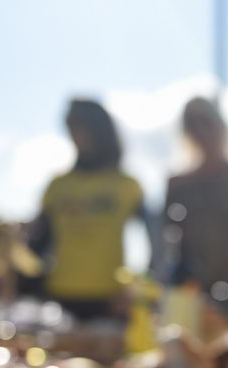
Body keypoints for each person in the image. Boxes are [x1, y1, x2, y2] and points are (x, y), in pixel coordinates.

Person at [29, 99, 145, 319]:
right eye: (72, 127)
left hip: (111, 299)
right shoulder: (57, 186)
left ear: (99, 129)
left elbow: (158, 243)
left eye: (82, 126)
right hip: (60, 297)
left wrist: (140, 288)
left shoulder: (127, 185)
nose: (77, 135)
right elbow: (36, 245)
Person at [160, 97, 228, 325]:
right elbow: (167, 247)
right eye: (193, 125)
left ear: (219, 125)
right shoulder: (178, 185)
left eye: (205, 122)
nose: (201, 132)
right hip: (197, 300)